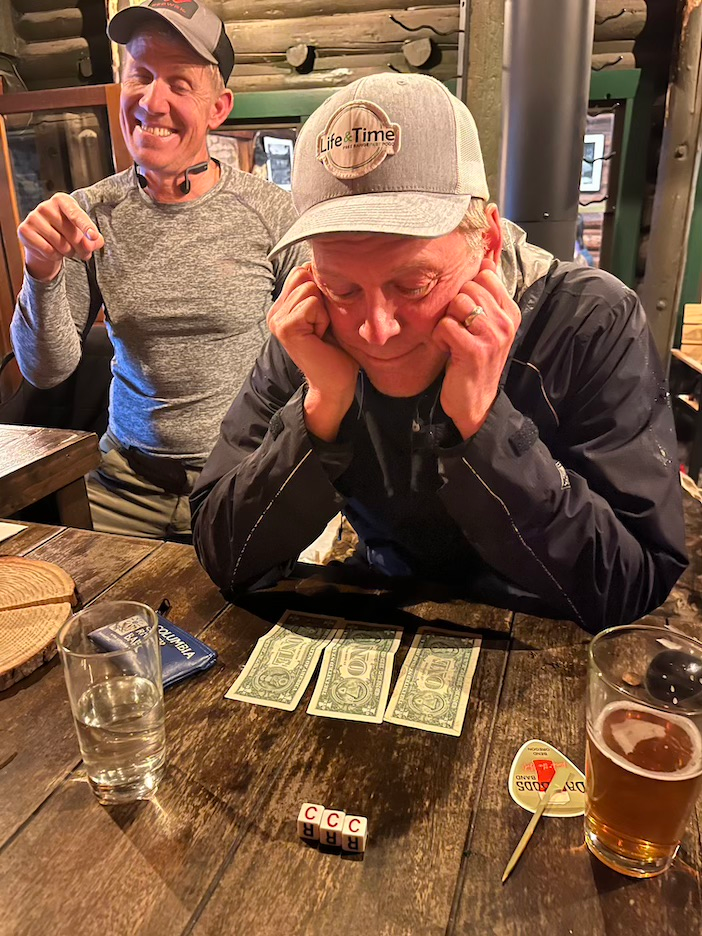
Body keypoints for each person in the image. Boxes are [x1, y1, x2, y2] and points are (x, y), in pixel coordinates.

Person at [190, 73, 688, 633]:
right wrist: (322, 405)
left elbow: (633, 583)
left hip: (545, 636)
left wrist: (484, 424)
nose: (376, 330)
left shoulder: (589, 319)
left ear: (488, 244)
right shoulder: (311, 326)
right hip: (383, 611)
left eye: (414, 284)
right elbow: (223, 554)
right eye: (343, 287)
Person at [10, 0, 307, 539]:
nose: (152, 100)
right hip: (123, 484)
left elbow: (318, 345)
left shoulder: (272, 211)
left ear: (218, 108)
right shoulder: (88, 212)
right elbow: (46, 372)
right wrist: (41, 270)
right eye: (140, 75)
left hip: (241, 481)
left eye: (179, 83)